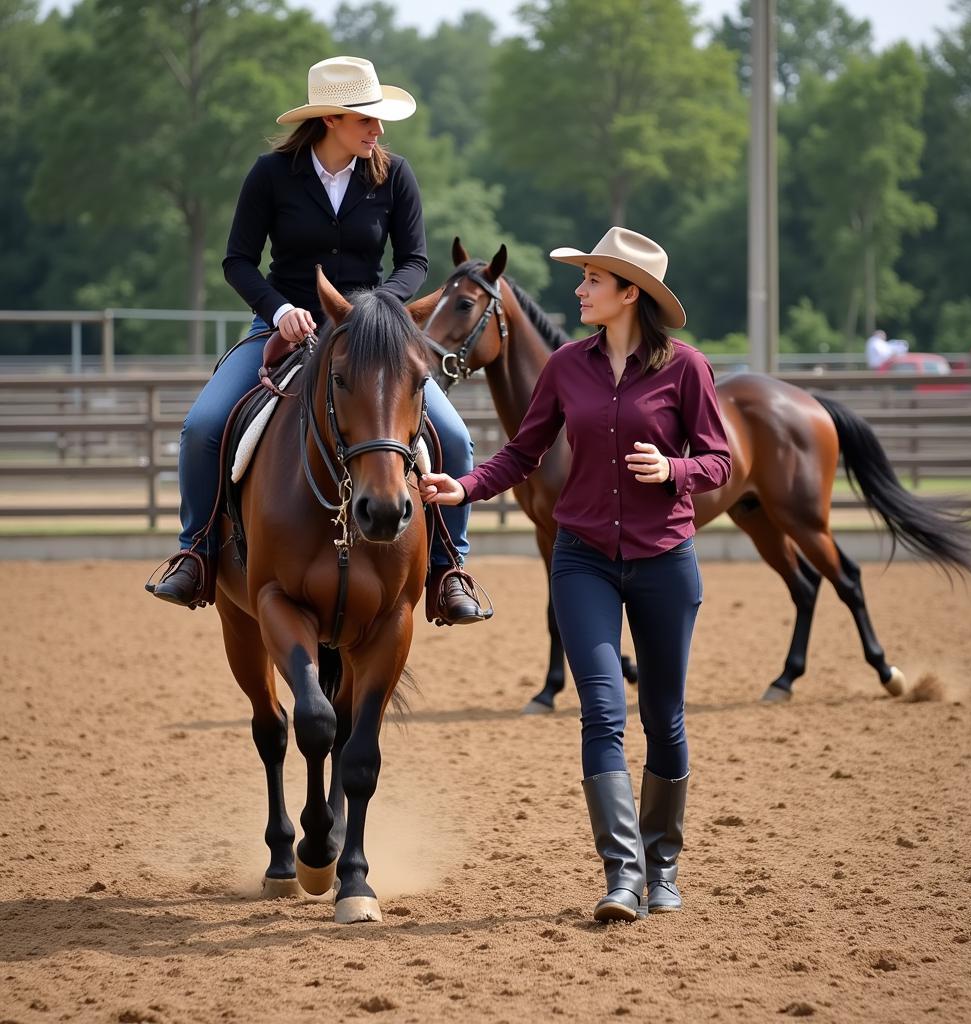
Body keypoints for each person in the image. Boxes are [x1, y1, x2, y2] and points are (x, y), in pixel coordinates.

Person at [420, 227, 731, 921]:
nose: (578, 289)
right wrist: (463, 487)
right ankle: (623, 874)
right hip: (583, 558)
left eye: (592, 280)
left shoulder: (687, 369)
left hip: (664, 563)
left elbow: (719, 462)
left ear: (630, 294)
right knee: (602, 710)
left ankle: (664, 867)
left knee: (665, 717)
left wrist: (674, 470)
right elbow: (523, 453)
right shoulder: (565, 367)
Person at [148, 56, 486, 624]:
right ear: (330, 119)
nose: (377, 130)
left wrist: (371, 310)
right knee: (203, 426)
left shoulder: (394, 174)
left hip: (370, 333)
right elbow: (237, 261)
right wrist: (278, 309)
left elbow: (415, 261)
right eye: (366, 120)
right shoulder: (271, 175)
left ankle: (450, 568)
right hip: (284, 326)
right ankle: (197, 552)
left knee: (454, 437)